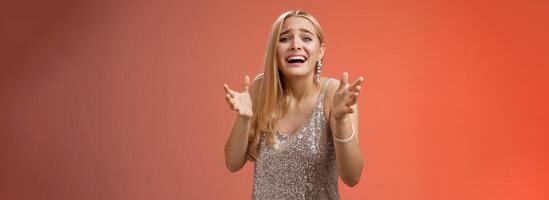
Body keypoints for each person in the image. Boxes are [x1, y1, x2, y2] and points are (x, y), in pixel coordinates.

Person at [223, 10, 364, 199]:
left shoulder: (335, 95)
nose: (295, 45)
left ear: (320, 50)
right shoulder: (259, 90)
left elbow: (352, 177)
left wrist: (341, 120)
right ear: (275, 49)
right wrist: (244, 118)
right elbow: (232, 163)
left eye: (306, 38)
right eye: (284, 39)